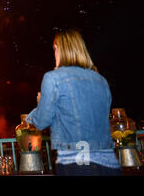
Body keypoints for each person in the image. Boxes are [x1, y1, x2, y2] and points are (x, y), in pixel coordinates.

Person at [25, 29, 121, 176]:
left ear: (58, 48)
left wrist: (37, 108)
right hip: (109, 163)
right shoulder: (101, 80)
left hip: (76, 162)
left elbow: (41, 121)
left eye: (54, 49)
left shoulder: (53, 78)